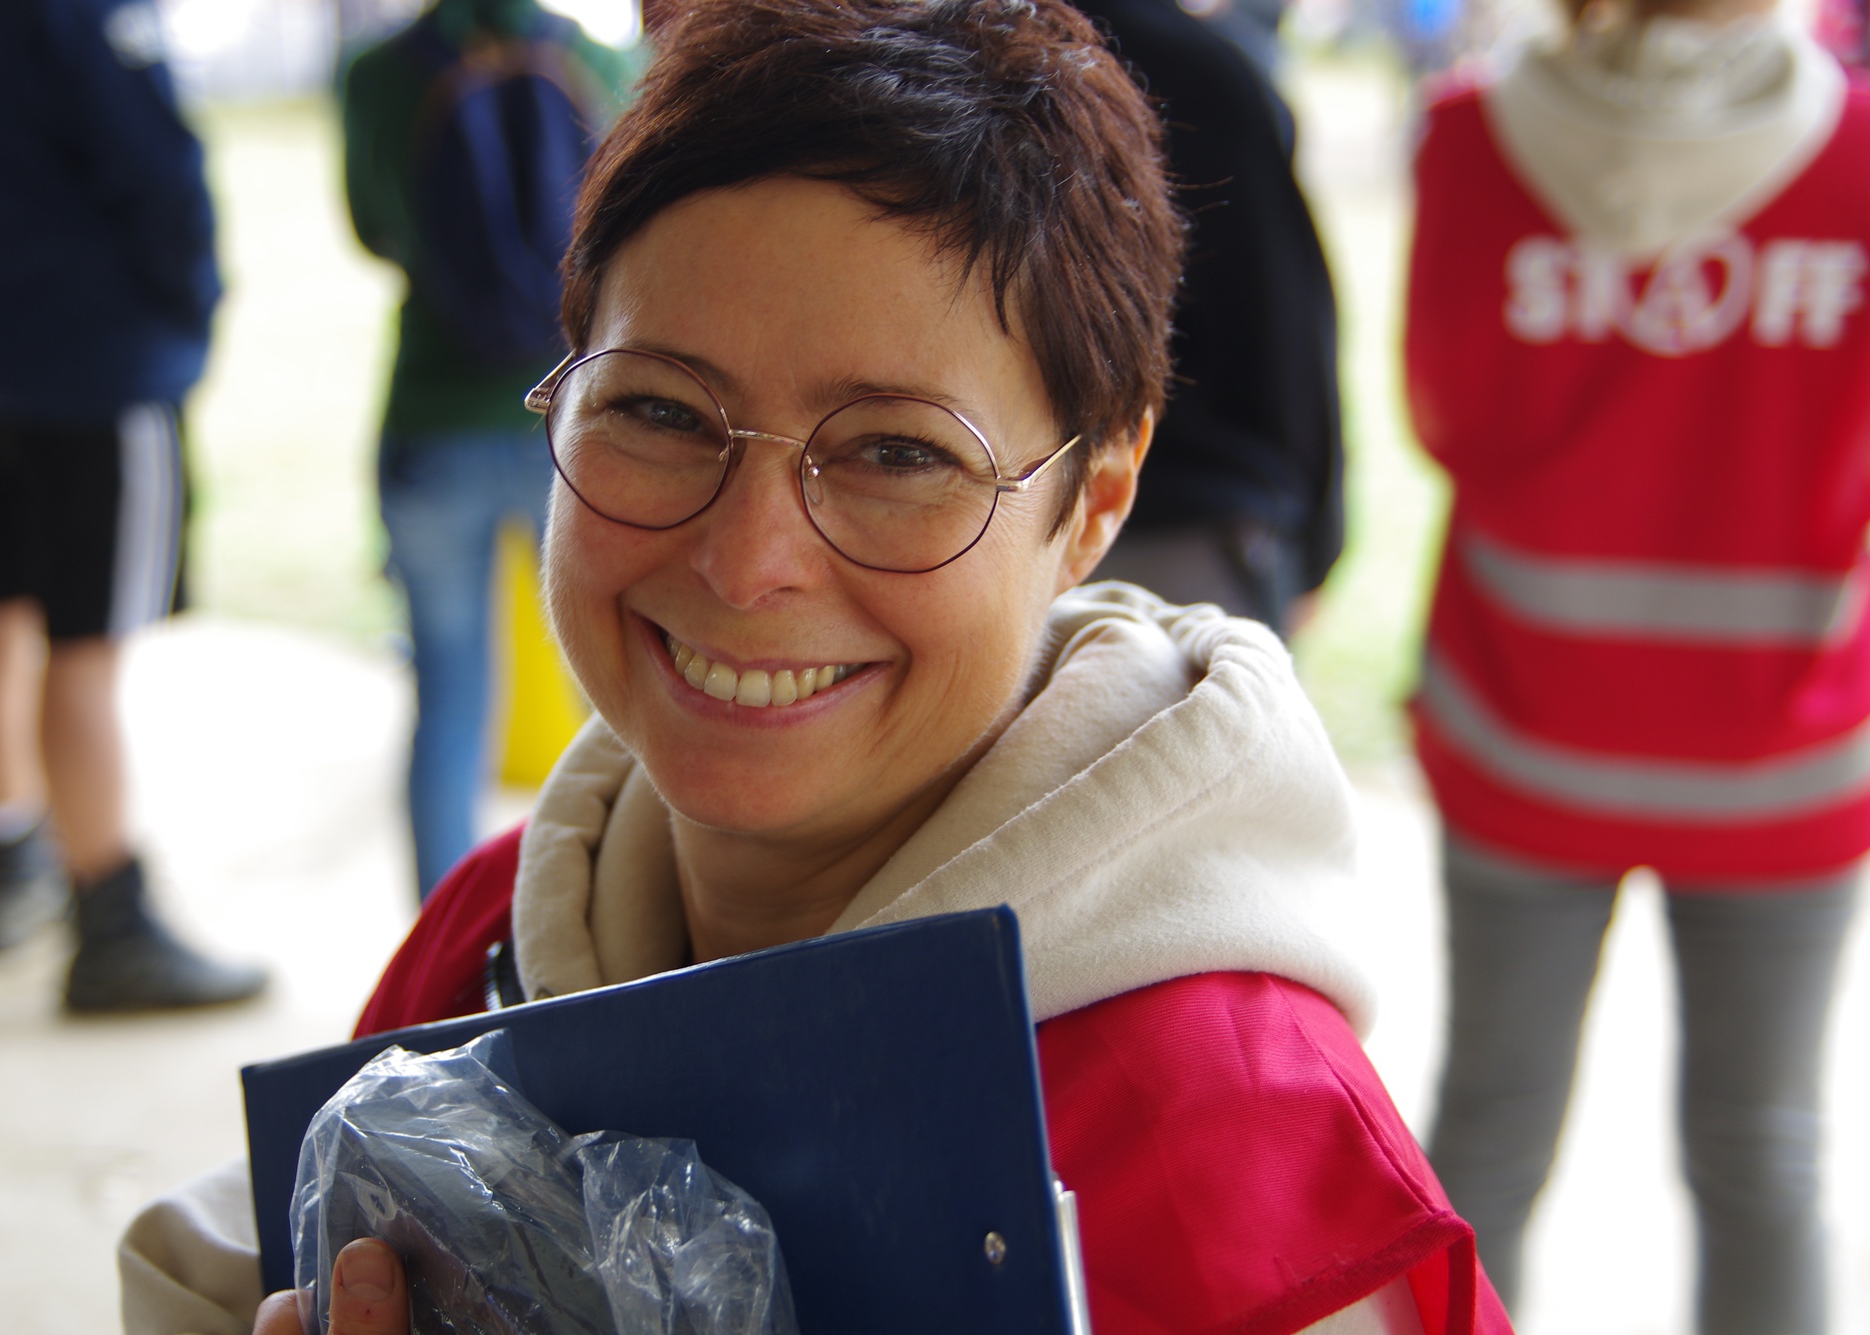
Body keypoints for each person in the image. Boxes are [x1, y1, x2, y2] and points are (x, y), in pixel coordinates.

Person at [122, 0, 1512, 1330]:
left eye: (898, 452)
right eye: (661, 410)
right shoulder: (482, 946)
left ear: (1093, 499)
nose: (746, 564)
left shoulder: (1242, 1158)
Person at [1406, 0, 1867, 1328]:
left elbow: (1444, 411)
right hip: (1786, 745)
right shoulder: (1856, 157)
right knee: (1765, 1155)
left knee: (1488, 1135)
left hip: (1525, 722)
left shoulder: (1472, 138)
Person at [0, 0, 268, 1010]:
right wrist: (188, 306)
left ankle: (15, 856)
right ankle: (110, 918)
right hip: (93, 360)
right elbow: (153, 161)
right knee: (83, 646)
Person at [342, 0, 640, 903]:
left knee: (448, 699)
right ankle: (615, 921)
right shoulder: (594, 61)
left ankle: (441, 940)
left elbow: (375, 227)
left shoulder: (378, 74)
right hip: (571, 418)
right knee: (619, 696)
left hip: (433, 414)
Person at [1079, 0, 1346, 635]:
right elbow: (1286, 341)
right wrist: (1320, 543)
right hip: (1189, 539)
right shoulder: (1207, 74)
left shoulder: (929, 48)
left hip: (1001, 511)